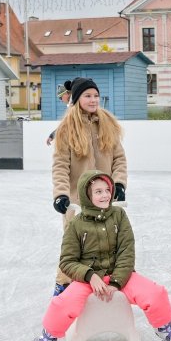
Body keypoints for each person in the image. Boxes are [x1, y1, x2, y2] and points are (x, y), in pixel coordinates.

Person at [24, 171, 171, 341]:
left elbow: (126, 251)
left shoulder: (119, 215)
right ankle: (49, 336)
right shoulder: (76, 224)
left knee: (155, 293)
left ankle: (164, 328)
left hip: (120, 275)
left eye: (107, 190)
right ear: (87, 195)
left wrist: (116, 282)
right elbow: (67, 261)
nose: (105, 195)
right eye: (98, 191)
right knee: (62, 303)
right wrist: (89, 276)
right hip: (87, 279)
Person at [52, 77, 127, 296]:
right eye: (87, 95)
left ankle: (105, 290)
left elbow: (119, 159)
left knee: (106, 245)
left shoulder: (107, 124)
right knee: (73, 249)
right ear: (77, 99)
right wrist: (61, 194)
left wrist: (119, 183)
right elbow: (60, 166)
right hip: (76, 203)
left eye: (95, 95)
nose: (93, 100)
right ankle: (62, 287)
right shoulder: (67, 129)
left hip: (104, 199)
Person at [46, 80, 72, 146]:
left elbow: (65, 125)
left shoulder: (74, 105)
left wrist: (52, 135)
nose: (61, 100)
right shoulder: (72, 105)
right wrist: (52, 136)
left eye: (61, 97)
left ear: (67, 93)